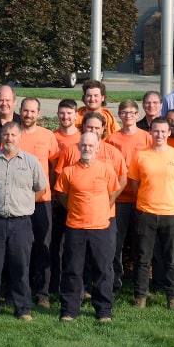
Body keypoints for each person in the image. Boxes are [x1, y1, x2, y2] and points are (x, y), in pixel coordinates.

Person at [0, 121, 48, 321]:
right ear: (1, 136)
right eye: (6, 134)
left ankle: (22, 308)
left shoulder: (31, 162)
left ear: (19, 137)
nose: (9, 138)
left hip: (21, 222)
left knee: (21, 266)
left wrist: (24, 202)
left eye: (13, 135)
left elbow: (40, 188)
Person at [55, 132, 119, 322]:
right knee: (73, 270)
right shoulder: (68, 172)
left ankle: (104, 311)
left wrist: (99, 211)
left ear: (98, 148)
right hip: (75, 227)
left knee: (103, 270)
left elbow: (113, 193)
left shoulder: (107, 170)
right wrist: (77, 211)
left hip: (101, 227)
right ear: (78, 147)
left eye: (91, 146)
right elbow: (64, 197)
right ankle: (69, 310)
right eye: (84, 145)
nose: (87, 149)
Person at [128, 119, 174, 310]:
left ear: (168, 132)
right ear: (150, 132)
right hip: (146, 213)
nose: (160, 135)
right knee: (143, 258)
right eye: (156, 131)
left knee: (171, 259)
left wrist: (172, 199)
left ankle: (172, 298)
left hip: (170, 214)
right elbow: (134, 183)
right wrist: (146, 199)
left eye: (163, 131)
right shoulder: (140, 156)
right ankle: (140, 296)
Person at [104, 100, 152, 301]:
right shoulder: (112, 139)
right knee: (116, 245)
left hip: (142, 199)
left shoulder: (147, 137)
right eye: (124, 112)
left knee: (142, 245)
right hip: (120, 200)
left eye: (132, 112)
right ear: (119, 115)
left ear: (137, 113)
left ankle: (141, 286)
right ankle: (114, 283)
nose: (128, 116)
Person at [16, 97, 59, 309]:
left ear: (39, 114)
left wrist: (44, 188)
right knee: (21, 248)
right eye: (25, 111)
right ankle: (20, 290)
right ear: (20, 111)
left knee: (43, 246)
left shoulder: (48, 136)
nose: (29, 115)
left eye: (33, 112)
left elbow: (54, 167)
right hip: (18, 203)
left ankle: (43, 293)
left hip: (42, 201)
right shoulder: (14, 134)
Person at [43, 99, 81, 306]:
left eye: (69, 113)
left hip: (79, 201)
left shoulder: (83, 139)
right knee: (55, 246)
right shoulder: (52, 137)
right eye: (62, 113)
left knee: (74, 247)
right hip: (57, 199)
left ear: (76, 116)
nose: (65, 117)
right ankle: (53, 286)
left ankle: (76, 287)